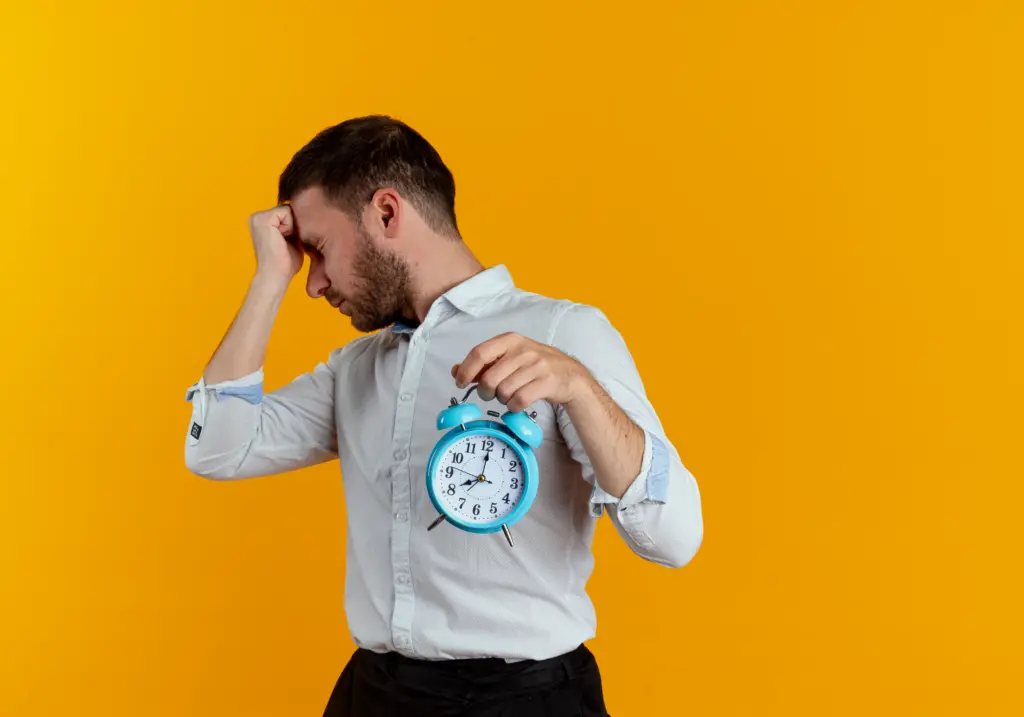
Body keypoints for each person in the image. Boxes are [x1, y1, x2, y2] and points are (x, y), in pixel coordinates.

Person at [183, 115, 704, 717]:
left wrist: (582, 392)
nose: (314, 283)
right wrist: (268, 279)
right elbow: (215, 449)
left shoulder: (563, 335)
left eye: (318, 250)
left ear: (386, 212)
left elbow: (675, 539)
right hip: (375, 697)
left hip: (529, 702)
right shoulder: (357, 368)